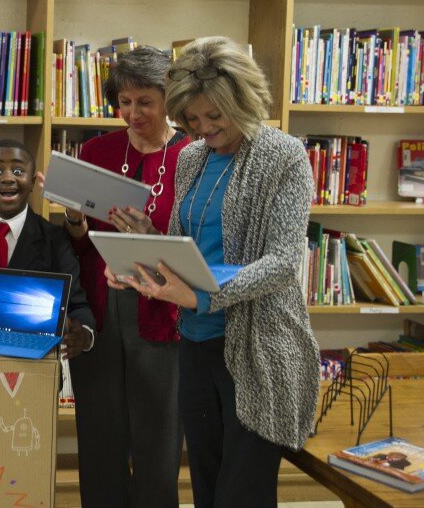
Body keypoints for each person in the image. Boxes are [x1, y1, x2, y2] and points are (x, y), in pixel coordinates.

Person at [110, 36, 319, 507]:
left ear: (242, 101)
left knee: (239, 496)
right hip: (196, 345)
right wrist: (150, 243)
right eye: (191, 119)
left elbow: (284, 262)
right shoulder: (191, 156)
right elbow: (189, 249)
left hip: (259, 350)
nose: (202, 129)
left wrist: (203, 295)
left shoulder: (284, 157)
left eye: (213, 117)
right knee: (205, 488)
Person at [63, 46, 190, 508]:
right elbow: (79, 246)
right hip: (100, 312)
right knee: (99, 440)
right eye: (124, 101)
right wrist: (75, 221)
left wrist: (153, 236)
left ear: (168, 98)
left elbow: (197, 246)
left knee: (157, 444)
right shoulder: (96, 150)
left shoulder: (191, 158)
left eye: (145, 102)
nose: (132, 113)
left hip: (160, 314)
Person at [0, 139, 95, 354]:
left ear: (32, 182)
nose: (7, 178)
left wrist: (84, 335)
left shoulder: (55, 239)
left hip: (32, 361)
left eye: (18, 171)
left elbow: (78, 307)